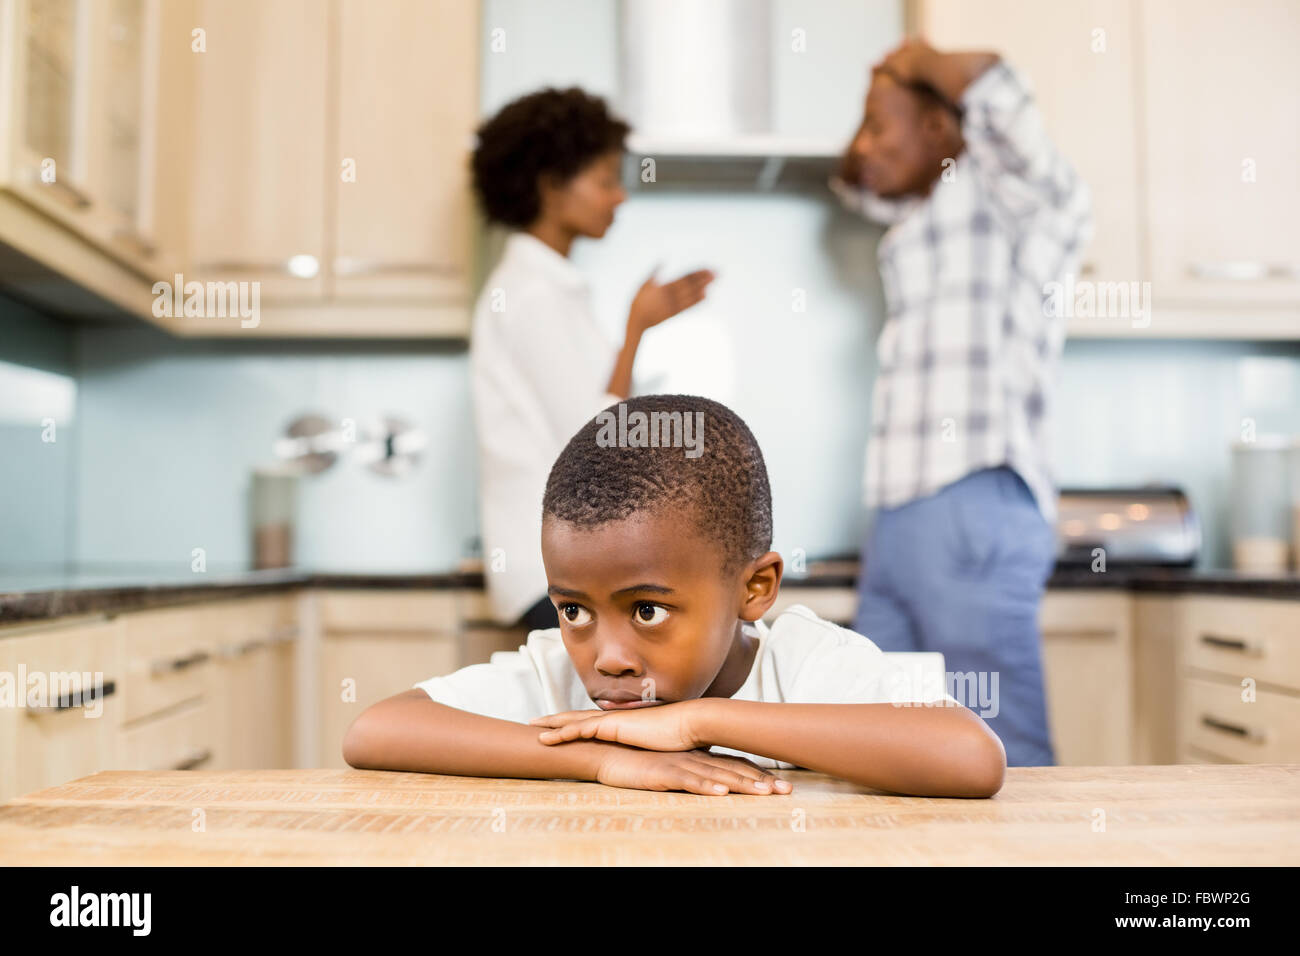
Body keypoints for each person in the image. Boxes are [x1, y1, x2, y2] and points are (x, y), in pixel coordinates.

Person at [343, 394, 1005, 798]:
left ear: (755, 588)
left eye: (647, 610)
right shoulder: (553, 674)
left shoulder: (803, 663)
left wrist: (695, 724)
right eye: (573, 610)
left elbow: (969, 756)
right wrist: (601, 761)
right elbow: (375, 731)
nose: (607, 658)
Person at [830, 39, 1092, 767]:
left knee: (1004, 745)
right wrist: (882, 104)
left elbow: (996, 92)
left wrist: (920, 64)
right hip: (897, 514)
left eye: (880, 125)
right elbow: (856, 179)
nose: (864, 145)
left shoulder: (1001, 203)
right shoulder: (915, 218)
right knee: (889, 741)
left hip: (972, 495)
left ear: (944, 132)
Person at [468, 87, 715, 631]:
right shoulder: (530, 295)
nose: (620, 196)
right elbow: (596, 441)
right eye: (605, 181)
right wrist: (635, 329)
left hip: (560, 569)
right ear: (552, 186)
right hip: (549, 574)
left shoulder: (545, 289)